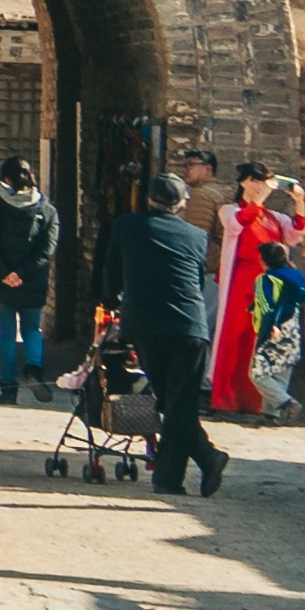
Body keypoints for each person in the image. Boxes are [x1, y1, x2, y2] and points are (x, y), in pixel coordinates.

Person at [110, 171, 228, 495]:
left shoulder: (126, 226)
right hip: (190, 328)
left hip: (147, 328)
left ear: (149, 199)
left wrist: (111, 304)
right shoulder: (196, 236)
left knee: (173, 403)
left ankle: (181, 472)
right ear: (180, 205)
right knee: (178, 404)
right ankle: (194, 465)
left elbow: (109, 277)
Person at [203, 154, 277, 416]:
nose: (259, 186)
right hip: (240, 281)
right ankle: (224, 397)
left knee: (258, 341)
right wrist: (257, 200)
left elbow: (297, 231)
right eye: (254, 180)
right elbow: (238, 223)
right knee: (233, 338)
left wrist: (300, 202)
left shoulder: (272, 217)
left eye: (264, 181)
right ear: (243, 182)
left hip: (266, 284)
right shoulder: (230, 210)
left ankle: (252, 400)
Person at [0, 165, 56, 391]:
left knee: (6, 333)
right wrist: (23, 274)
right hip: (32, 281)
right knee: (32, 329)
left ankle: (7, 381)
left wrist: (4, 273)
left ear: (5, 180)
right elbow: (47, 249)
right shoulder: (47, 210)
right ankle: (33, 369)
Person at [247, 171, 305, 420]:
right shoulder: (295, 277)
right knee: (281, 372)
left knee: (258, 373)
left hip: (275, 328)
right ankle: (272, 415)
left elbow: (266, 306)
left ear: (263, 261)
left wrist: (267, 326)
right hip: (292, 331)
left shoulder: (265, 280)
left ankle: (286, 403)